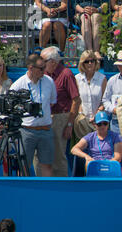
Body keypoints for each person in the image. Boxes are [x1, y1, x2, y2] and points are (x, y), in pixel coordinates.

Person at [9, 54, 57, 177]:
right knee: (23, 165)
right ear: (31, 68)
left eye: (44, 67)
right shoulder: (18, 85)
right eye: (41, 68)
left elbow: (51, 103)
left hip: (46, 129)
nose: (44, 71)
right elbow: (11, 109)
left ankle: (47, 193)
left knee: (47, 165)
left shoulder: (49, 81)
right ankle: (24, 193)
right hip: (27, 131)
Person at [39, 46, 81, 177]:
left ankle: (61, 184)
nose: (40, 63)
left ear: (52, 62)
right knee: (40, 154)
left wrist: (69, 124)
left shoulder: (66, 74)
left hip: (60, 117)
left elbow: (76, 100)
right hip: (43, 117)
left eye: (43, 60)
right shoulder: (43, 74)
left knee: (58, 155)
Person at [74, 50, 107, 140]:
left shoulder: (102, 78)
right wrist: (81, 114)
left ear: (95, 62)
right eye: (86, 61)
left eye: (92, 61)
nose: (89, 63)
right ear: (82, 63)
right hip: (82, 122)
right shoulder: (77, 79)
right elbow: (77, 100)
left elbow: (105, 101)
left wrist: (97, 115)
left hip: (99, 121)